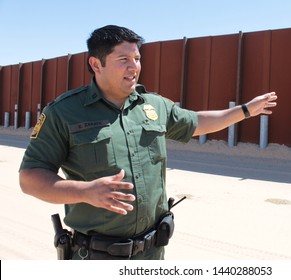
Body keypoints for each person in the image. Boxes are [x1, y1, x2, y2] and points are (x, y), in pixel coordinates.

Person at [19, 25, 277, 260]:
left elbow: (196, 122)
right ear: (96, 64)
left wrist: (245, 110)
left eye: (137, 59)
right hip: (97, 256)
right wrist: (85, 192)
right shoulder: (64, 112)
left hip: (153, 252)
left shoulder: (153, 105)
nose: (134, 67)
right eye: (123, 60)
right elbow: (30, 177)